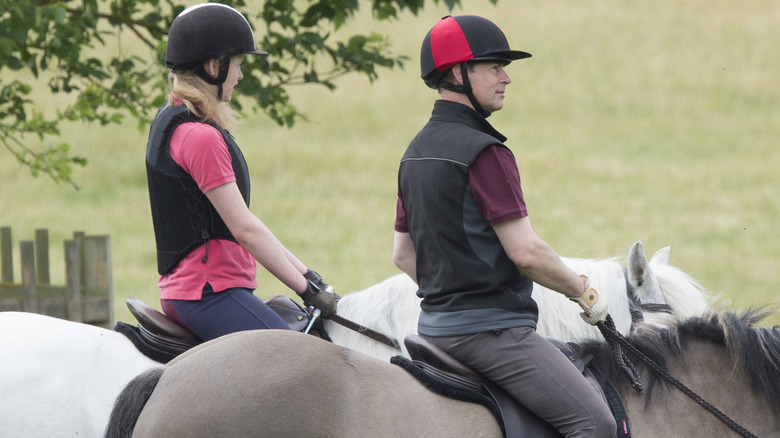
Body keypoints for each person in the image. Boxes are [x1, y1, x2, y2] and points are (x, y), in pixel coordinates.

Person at [393, 15, 616, 437]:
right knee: (596, 424)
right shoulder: (485, 152)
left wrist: (453, 293)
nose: (506, 77)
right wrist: (584, 292)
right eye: (493, 66)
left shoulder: (414, 152)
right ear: (458, 73)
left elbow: (402, 255)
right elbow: (526, 253)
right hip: (492, 334)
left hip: (433, 329)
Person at [145, 3, 336, 342]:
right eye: (238, 64)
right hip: (209, 293)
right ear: (214, 66)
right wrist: (306, 290)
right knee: (296, 356)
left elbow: (245, 222)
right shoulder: (200, 137)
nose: (241, 75)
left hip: (194, 290)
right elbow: (244, 229)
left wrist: (307, 275)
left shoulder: (174, 119)